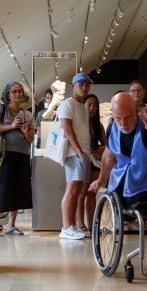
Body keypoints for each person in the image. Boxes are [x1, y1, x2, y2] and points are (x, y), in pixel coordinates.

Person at [0, 82, 35, 236]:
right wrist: (12, 125)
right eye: (14, 91)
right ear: (8, 94)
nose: (18, 94)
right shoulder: (1, 109)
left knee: (19, 189)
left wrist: (25, 131)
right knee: (3, 188)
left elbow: (30, 139)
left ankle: (11, 225)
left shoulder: (27, 114)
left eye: (20, 91)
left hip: (23, 154)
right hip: (5, 154)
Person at [57, 73, 93, 240]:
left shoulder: (81, 106)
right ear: (73, 86)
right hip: (74, 153)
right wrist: (78, 150)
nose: (84, 87)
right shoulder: (68, 104)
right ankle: (66, 227)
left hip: (83, 153)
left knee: (78, 191)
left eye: (87, 84)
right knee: (72, 190)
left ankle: (71, 226)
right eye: (81, 84)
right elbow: (67, 129)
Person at [76, 93, 105, 233]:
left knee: (91, 193)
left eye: (95, 105)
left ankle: (92, 225)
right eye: (89, 105)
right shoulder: (79, 124)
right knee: (81, 194)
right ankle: (80, 224)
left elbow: (106, 144)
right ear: (84, 106)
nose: (92, 108)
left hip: (95, 162)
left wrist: (100, 149)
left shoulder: (99, 126)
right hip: (82, 159)